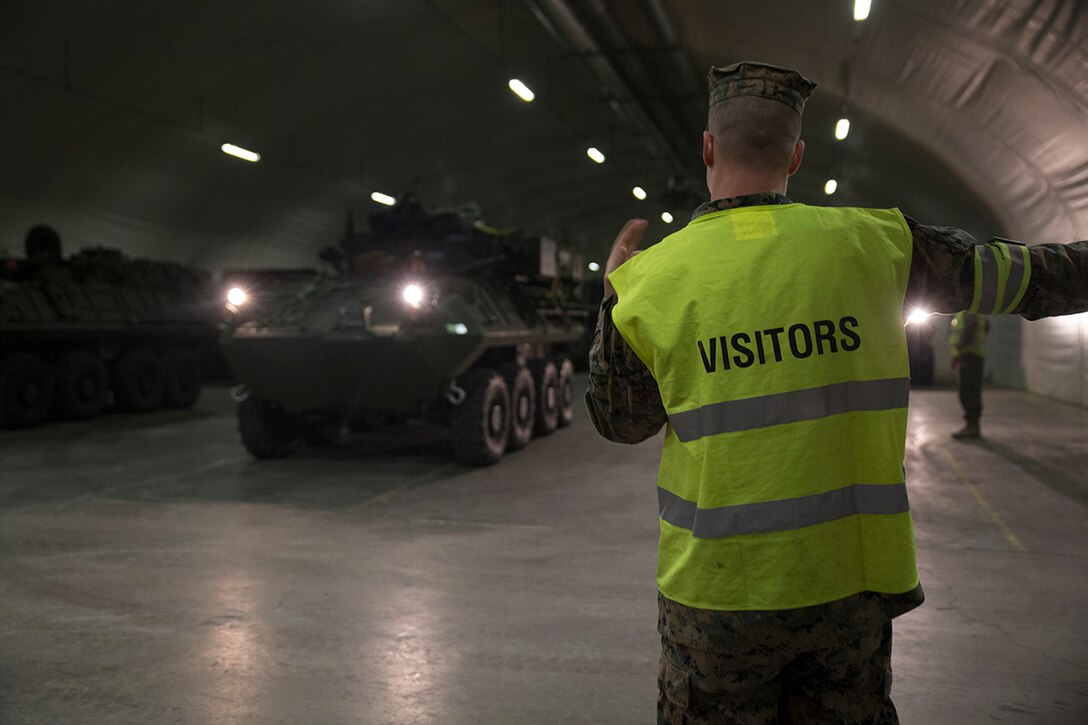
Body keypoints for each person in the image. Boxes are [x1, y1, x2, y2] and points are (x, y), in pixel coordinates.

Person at [585, 60, 1088, 724]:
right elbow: (1025, 277)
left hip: (716, 597)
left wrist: (613, 303)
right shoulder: (877, 244)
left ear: (708, 147)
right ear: (797, 155)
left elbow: (620, 421)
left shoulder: (651, 281)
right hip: (848, 587)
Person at [949, 311, 989, 438]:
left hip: (968, 355)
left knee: (968, 390)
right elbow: (987, 326)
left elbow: (969, 329)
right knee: (972, 390)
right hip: (974, 354)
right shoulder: (977, 311)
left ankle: (971, 427)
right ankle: (973, 426)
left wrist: (960, 347)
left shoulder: (968, 310)